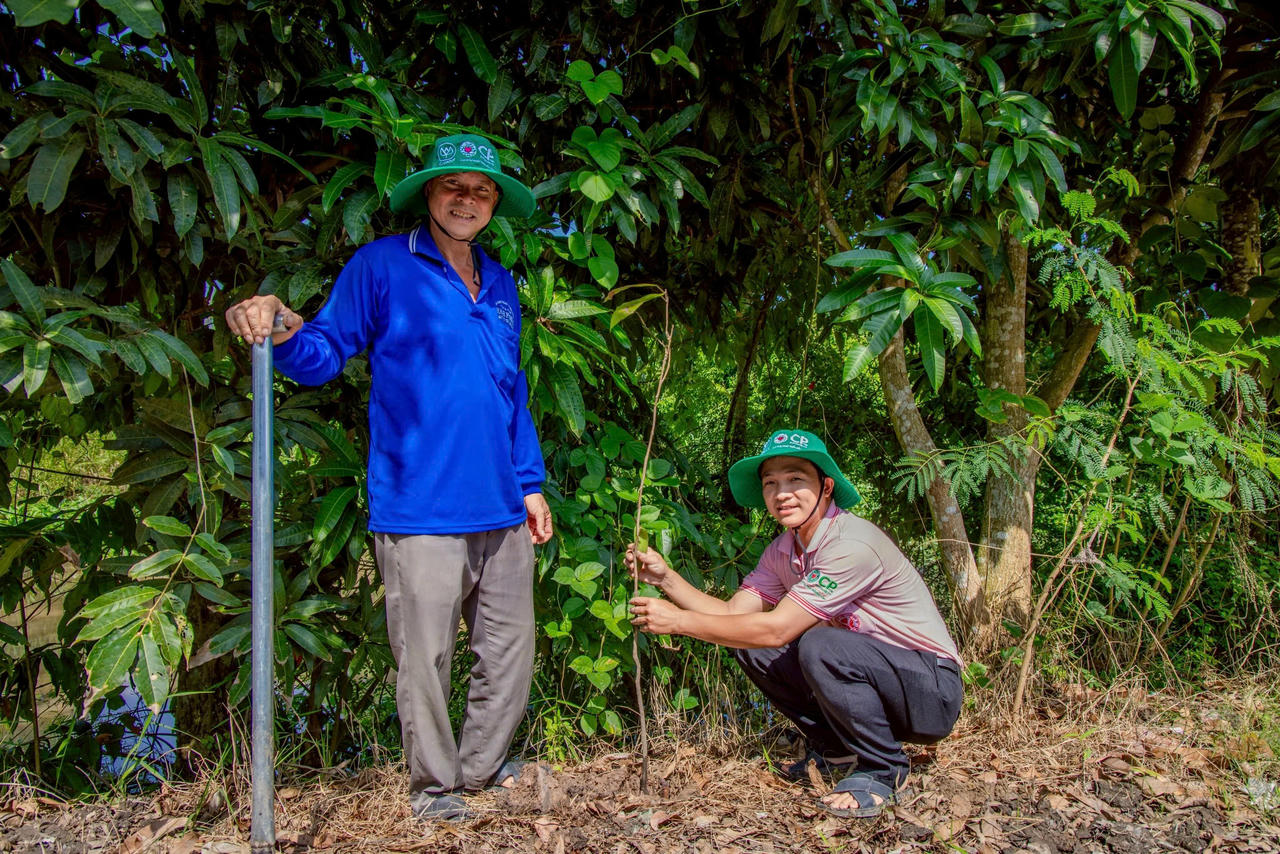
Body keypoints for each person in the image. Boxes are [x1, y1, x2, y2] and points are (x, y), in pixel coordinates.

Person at [225, 134, 552, 822]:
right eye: (453, 187)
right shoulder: (381, 266)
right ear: (429, 195)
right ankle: (433, 792)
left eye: (482, 190)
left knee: (510, 652)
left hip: (501, 506)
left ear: (495, 204)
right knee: (425, 663)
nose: (467, 200)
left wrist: (530, 482)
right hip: (420, 507)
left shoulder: (498, 283)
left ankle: (479, 770)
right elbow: (323, 352)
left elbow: (509, 391)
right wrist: (281, 328)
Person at [627, 429, 961, 818]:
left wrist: (680, 622)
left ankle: (884, 769)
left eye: (796, 479)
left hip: (931, 691)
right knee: (753, 644)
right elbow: (736, 616)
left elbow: (777, 629)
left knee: (819, 644)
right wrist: (665, 578)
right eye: (771, 484)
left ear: (827, 486)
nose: (781, 493)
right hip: (879, 681)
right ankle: (837, 752)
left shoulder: (852, 543)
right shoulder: (783, 551)